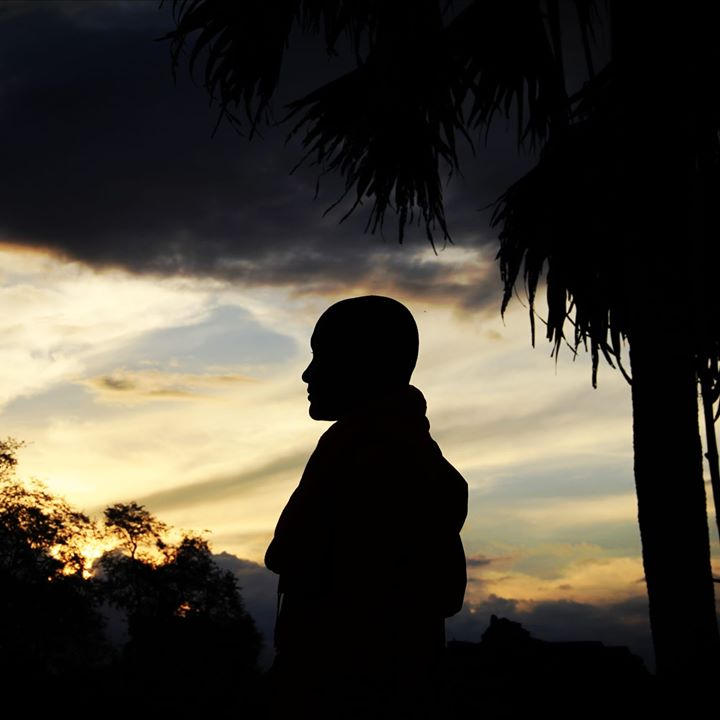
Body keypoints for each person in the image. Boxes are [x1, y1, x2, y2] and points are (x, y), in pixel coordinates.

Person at [264, 295, 468, 718]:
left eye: (322, 357)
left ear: (364, 364)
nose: (307, 374)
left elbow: (289, 553)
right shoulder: (396, 450)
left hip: (348, 696)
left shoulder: (371, 454)